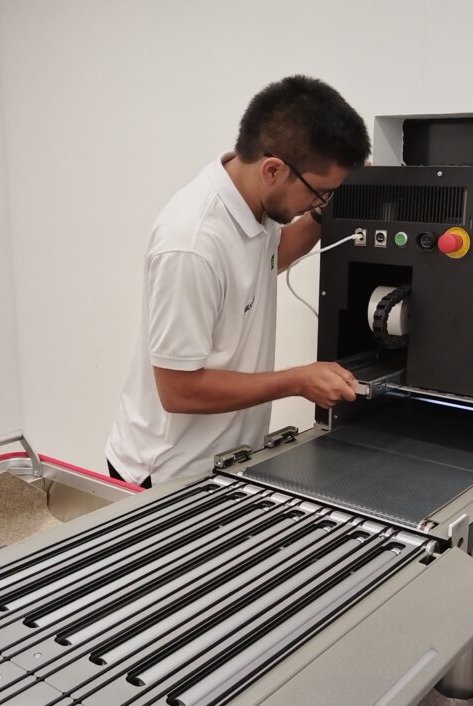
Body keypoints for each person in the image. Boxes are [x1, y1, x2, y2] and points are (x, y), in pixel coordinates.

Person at [106, 75, 371, 488]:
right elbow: (179, 391)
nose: (320, 204)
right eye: (319, 193)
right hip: (167, 476)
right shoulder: (191, 244)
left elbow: (268, 257)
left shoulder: (255, 204)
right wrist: (298, 380)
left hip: (224, 462)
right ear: (273, 169)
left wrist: (322, 214)